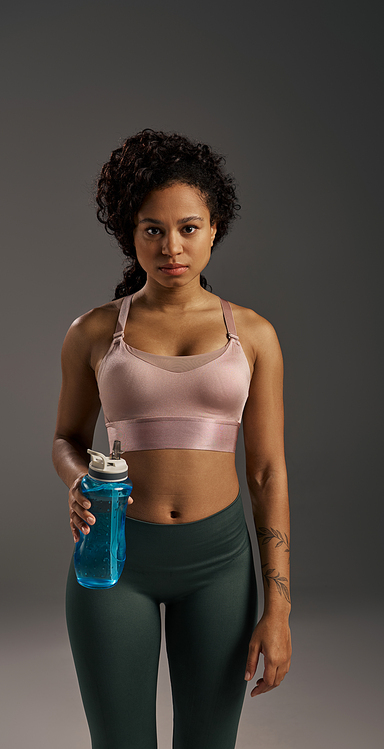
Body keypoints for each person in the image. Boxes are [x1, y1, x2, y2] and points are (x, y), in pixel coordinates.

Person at [52, 129, 292, 749]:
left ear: (215, 229)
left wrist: (280, 607)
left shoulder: (255, 336)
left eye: (189, 227)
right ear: (131, 235)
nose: (171, 246)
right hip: (114, 558)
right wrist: (78, 479)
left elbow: (266, 474)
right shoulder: (95, 331)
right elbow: (65, 439)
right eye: (152, 229)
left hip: (218, 564)